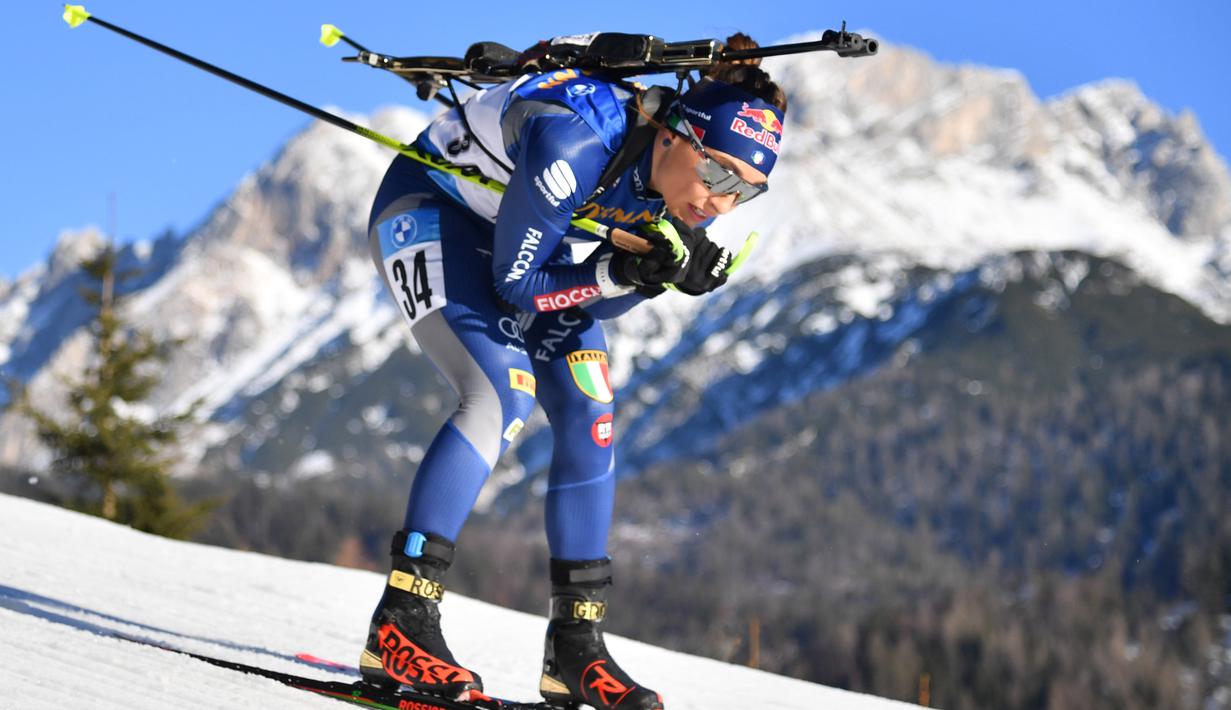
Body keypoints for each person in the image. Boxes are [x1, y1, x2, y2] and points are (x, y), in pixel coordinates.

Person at [359, 32, 787, 710]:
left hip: (529, 247)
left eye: (747, 191)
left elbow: (594, 301)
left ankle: (575, 647)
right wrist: (623, 270)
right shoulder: (576, 140)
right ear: (674, 134)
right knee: (500, 396)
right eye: (720, 175)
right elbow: (517, 284)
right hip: (434, 213)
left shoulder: (677, 189)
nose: (721, 204)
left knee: (591, 408)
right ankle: (401, 618)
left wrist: (651, 275)